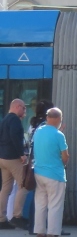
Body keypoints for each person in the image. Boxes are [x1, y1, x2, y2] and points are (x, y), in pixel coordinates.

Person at [30, 107, 69, 237]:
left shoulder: (38, 132)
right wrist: (63, 163)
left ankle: (40, 234)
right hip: (55, 174)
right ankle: (52, 235)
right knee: (55, 205)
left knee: (40, 204)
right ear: (59, 119)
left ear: (47, 118)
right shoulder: (59, 135)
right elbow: (65, 156)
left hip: (38, 173)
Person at [0, 98, 27, 228]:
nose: (25, 111)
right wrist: (21, 154)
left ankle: (1, 219)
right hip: (13, 158)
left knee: (6, 188)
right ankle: (17, 216)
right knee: (24, 185)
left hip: (3, 158)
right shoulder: (15, 120)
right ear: (17, 106)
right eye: (23, 108)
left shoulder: (4, 119)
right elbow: (14, 136)